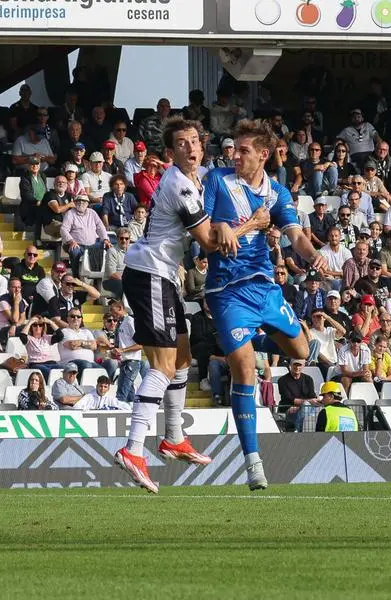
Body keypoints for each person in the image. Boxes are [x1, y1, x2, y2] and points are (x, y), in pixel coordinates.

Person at [116, 117, 283, 493]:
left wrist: (229, 224)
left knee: (182, 358)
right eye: (182, 143)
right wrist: (249, 224)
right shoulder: (179, 184)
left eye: (195, 140)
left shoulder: (201, 177)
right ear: (171, 152)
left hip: (164, 276)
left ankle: (173, 436)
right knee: (162, 364)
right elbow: (209, 242)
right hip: (149, 274)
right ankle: (132, 449)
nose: (191, 147)